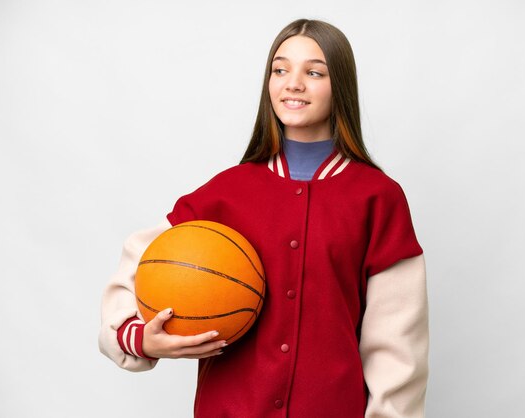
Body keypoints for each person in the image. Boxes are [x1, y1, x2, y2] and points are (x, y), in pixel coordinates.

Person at [99, 18, 429, 418]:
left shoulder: (378, 198)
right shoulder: (228, 192)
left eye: (314, 72)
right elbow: (142, 259)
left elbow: (397, 350)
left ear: (338, 84)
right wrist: (139, 339)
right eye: (280, 69)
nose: (293, 83)